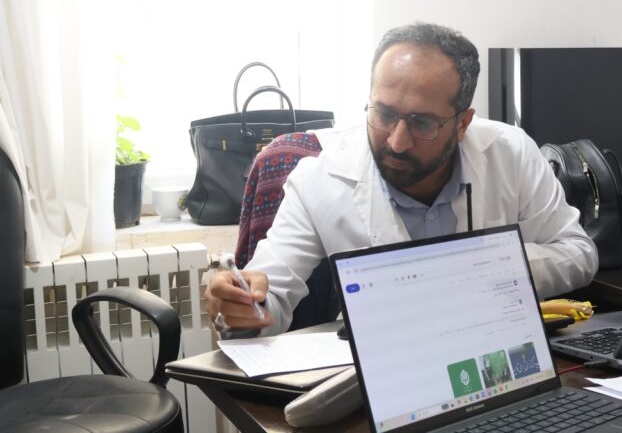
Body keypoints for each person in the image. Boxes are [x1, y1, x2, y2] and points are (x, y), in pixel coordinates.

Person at [206, 22, 598, 335]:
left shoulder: (509, 152)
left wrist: (483, 268)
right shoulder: (319, 178)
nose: (396, 141)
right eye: (384, 113)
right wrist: (244, 305)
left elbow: (580, 253)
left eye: (422, 123)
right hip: (386, 365)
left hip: (489, 344)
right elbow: (271, 295)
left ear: (462, 124)